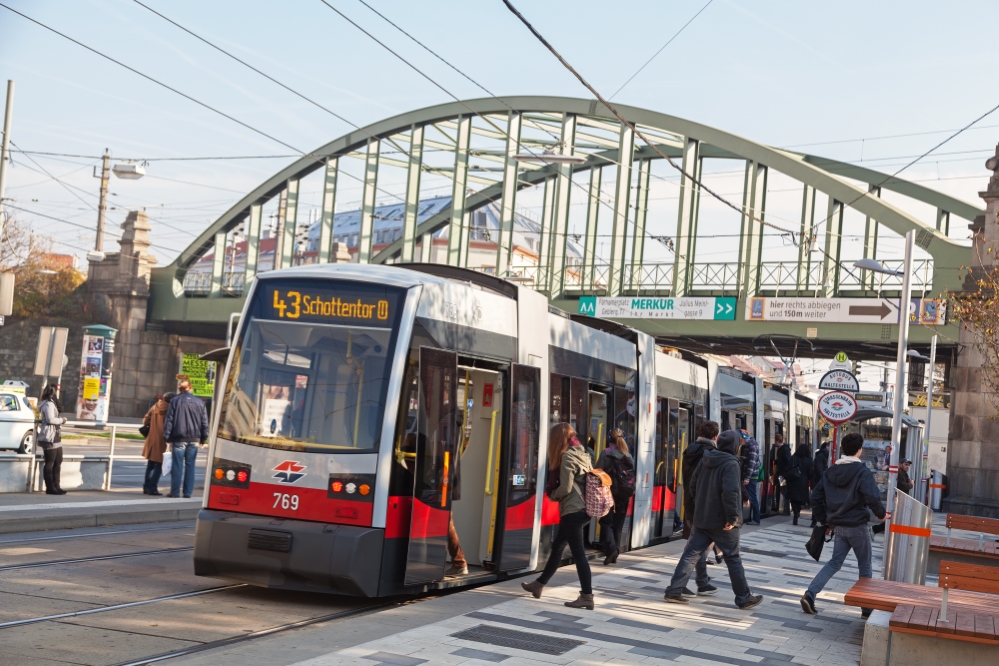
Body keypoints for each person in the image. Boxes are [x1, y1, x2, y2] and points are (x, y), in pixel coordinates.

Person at [664, 429, 762, 610]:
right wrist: (732, 517)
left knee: (691, 554)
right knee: (733, 557)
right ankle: (744, 597)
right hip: (723, 522)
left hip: (702, 517)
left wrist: (701, 506)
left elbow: (693, 486)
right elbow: (731, 492)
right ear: (734, 445)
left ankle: (674, 590)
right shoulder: (731, 463)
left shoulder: (705, 459)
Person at [800, 432, 886, 618]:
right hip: (857, 526)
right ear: (859, 450)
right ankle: (866, 608)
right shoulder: (862, 472)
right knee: (865, 566)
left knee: (834, 563)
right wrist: (881, 513)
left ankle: (810, 594)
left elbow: (815, 496)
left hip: (838, 526)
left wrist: (823, 519)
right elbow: (871, 495)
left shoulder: (830, 471)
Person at [522, 423, 595, 610]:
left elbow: (565, 488)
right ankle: (538, 585)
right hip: (582, 509)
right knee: (557, 547)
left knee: (578, 554)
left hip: (573, 510)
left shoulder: (568, 457)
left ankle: (587, 596)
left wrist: (552, 495)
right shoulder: (582, 453)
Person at [677, 420, 722, 597]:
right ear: (715, 436)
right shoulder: (711, 454)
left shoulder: (689, 450)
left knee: (698, 544)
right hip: (704, 505)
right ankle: (681, 585)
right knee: (695, 547)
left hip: (689, 502)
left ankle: (701, 582)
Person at [163, 380, 209, 498]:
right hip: (194, 439)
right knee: (190, 465)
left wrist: (167, 437)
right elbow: (204, 423)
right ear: (190, 388)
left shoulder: (174, 401)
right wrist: (203, 439)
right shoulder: (200, 402)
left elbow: (169, 421)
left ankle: (175, 492)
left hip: (179, 438)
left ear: (180, 389)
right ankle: (188, 492)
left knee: (177, 465)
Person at [597, 428, 635, 565]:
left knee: (606, 522)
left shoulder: (606, 454)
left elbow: (598, 472)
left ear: (609, 439)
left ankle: (611, 549)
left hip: (609, 493)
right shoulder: (628, 455)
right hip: (625, 494)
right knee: (618, 523)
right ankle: (615, 552)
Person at [141, 393, 174, 496]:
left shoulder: (155, 406)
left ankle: (146, 487)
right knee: (159, 465)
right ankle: (152, 488)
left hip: (151, 438)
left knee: (150, 465)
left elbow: (145, 420)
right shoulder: (171, 408)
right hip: (162, 439)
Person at [37, 385, 67, 495]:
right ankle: (50, 488)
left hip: (56, 435)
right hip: (49, 436)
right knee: (49, 462)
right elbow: (50, 419)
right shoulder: (48, 404)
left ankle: (56, 486)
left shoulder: (51, 402)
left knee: (58, 461)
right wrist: (62, 420)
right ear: (53, 392)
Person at [787, 444, 814, 526]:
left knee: (793, 497)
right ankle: (798, 511)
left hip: (793, 479)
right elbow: (810, 473)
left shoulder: (794, 457)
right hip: (804, 481)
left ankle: (795, 512)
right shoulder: (809, 460)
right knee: (800, 498)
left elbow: (788, 468)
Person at [740, 430, 761, 525]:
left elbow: (751, 463)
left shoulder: (752, 446)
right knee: (752, 497)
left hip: (751, 477)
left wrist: (747, 477)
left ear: (744, 438)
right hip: (750, 475)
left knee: (752, 497)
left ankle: (756, 519)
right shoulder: (748, 445)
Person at [773, 434, 792, 516]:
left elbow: (788, 461)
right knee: (783, 491)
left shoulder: (784, 450)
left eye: (775, 441)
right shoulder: (782, 449)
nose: (774, 444)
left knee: (784, 491)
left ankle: (786, 510)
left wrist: (784, 473)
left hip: (783, 475)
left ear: (778, 441)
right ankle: (784, 509)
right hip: (781, 474)